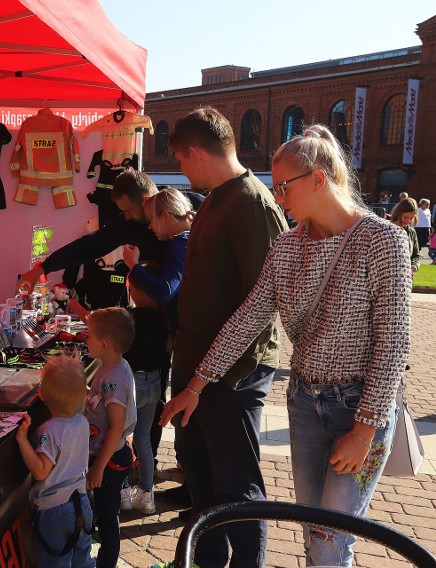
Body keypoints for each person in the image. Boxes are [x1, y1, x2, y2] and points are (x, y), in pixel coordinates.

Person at [172, 124, 410, 566]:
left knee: (329, 539)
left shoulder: (383, 240)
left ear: (319, 179)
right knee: (315, 531)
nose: (277, 198)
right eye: (274, 187)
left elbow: (393, 346)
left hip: (360, 407)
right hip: (304, 402)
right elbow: (247, 319)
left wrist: (363, 431)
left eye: (283, 187)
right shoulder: (286, 246)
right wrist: (197, 384)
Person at [158, 106, 288, 568]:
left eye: (180, 159)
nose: (179, 169)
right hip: (197, 363)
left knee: (237, 486)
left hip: (233, 373)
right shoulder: (214, 197)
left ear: (195, 152)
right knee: (202, 478)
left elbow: (264, 302)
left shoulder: (252, 202)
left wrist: (212, 378)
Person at [118, 188, 194, 515]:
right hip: (155, 382)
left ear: (165, 215)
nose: (150, 228)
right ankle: (147, 494)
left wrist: (134, 266)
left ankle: (120, 494)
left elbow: (164, 289)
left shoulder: (180, 243)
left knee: (122, 438)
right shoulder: (160, 326)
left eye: (152, 220)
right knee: (146, 440)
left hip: (136, 385)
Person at [16, 170, 165, 294]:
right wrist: (42, 268)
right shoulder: (128, 223)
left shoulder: (177, 213)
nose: (126, 216)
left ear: (146, 200)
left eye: (129, 210)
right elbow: (89, 245)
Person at [15, 355, 94, 568]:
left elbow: (41, 472)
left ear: (40, 394)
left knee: (55, 562)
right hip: (81, 502)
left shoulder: (49, 431)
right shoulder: (83, 422)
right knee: (82, 559)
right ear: (84, 396)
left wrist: (23, 441)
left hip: (55, 511)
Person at [83, 307, 137, 568]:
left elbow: (115, 426)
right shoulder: (114, 367)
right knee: (102, 512)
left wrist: (98, 468)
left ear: (103, 344)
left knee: (107, 518)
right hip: (108, 455)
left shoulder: (113, 380)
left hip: (110, 459)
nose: (86, 340)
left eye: (89, 337)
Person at [390, 197, 420, 276]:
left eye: (411, 218)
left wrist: (413, 268)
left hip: (405, 278)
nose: (408, 221)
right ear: (398, 213)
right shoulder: (386, 228)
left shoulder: (411, 232)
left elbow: (416, 255)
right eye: (406, 217)